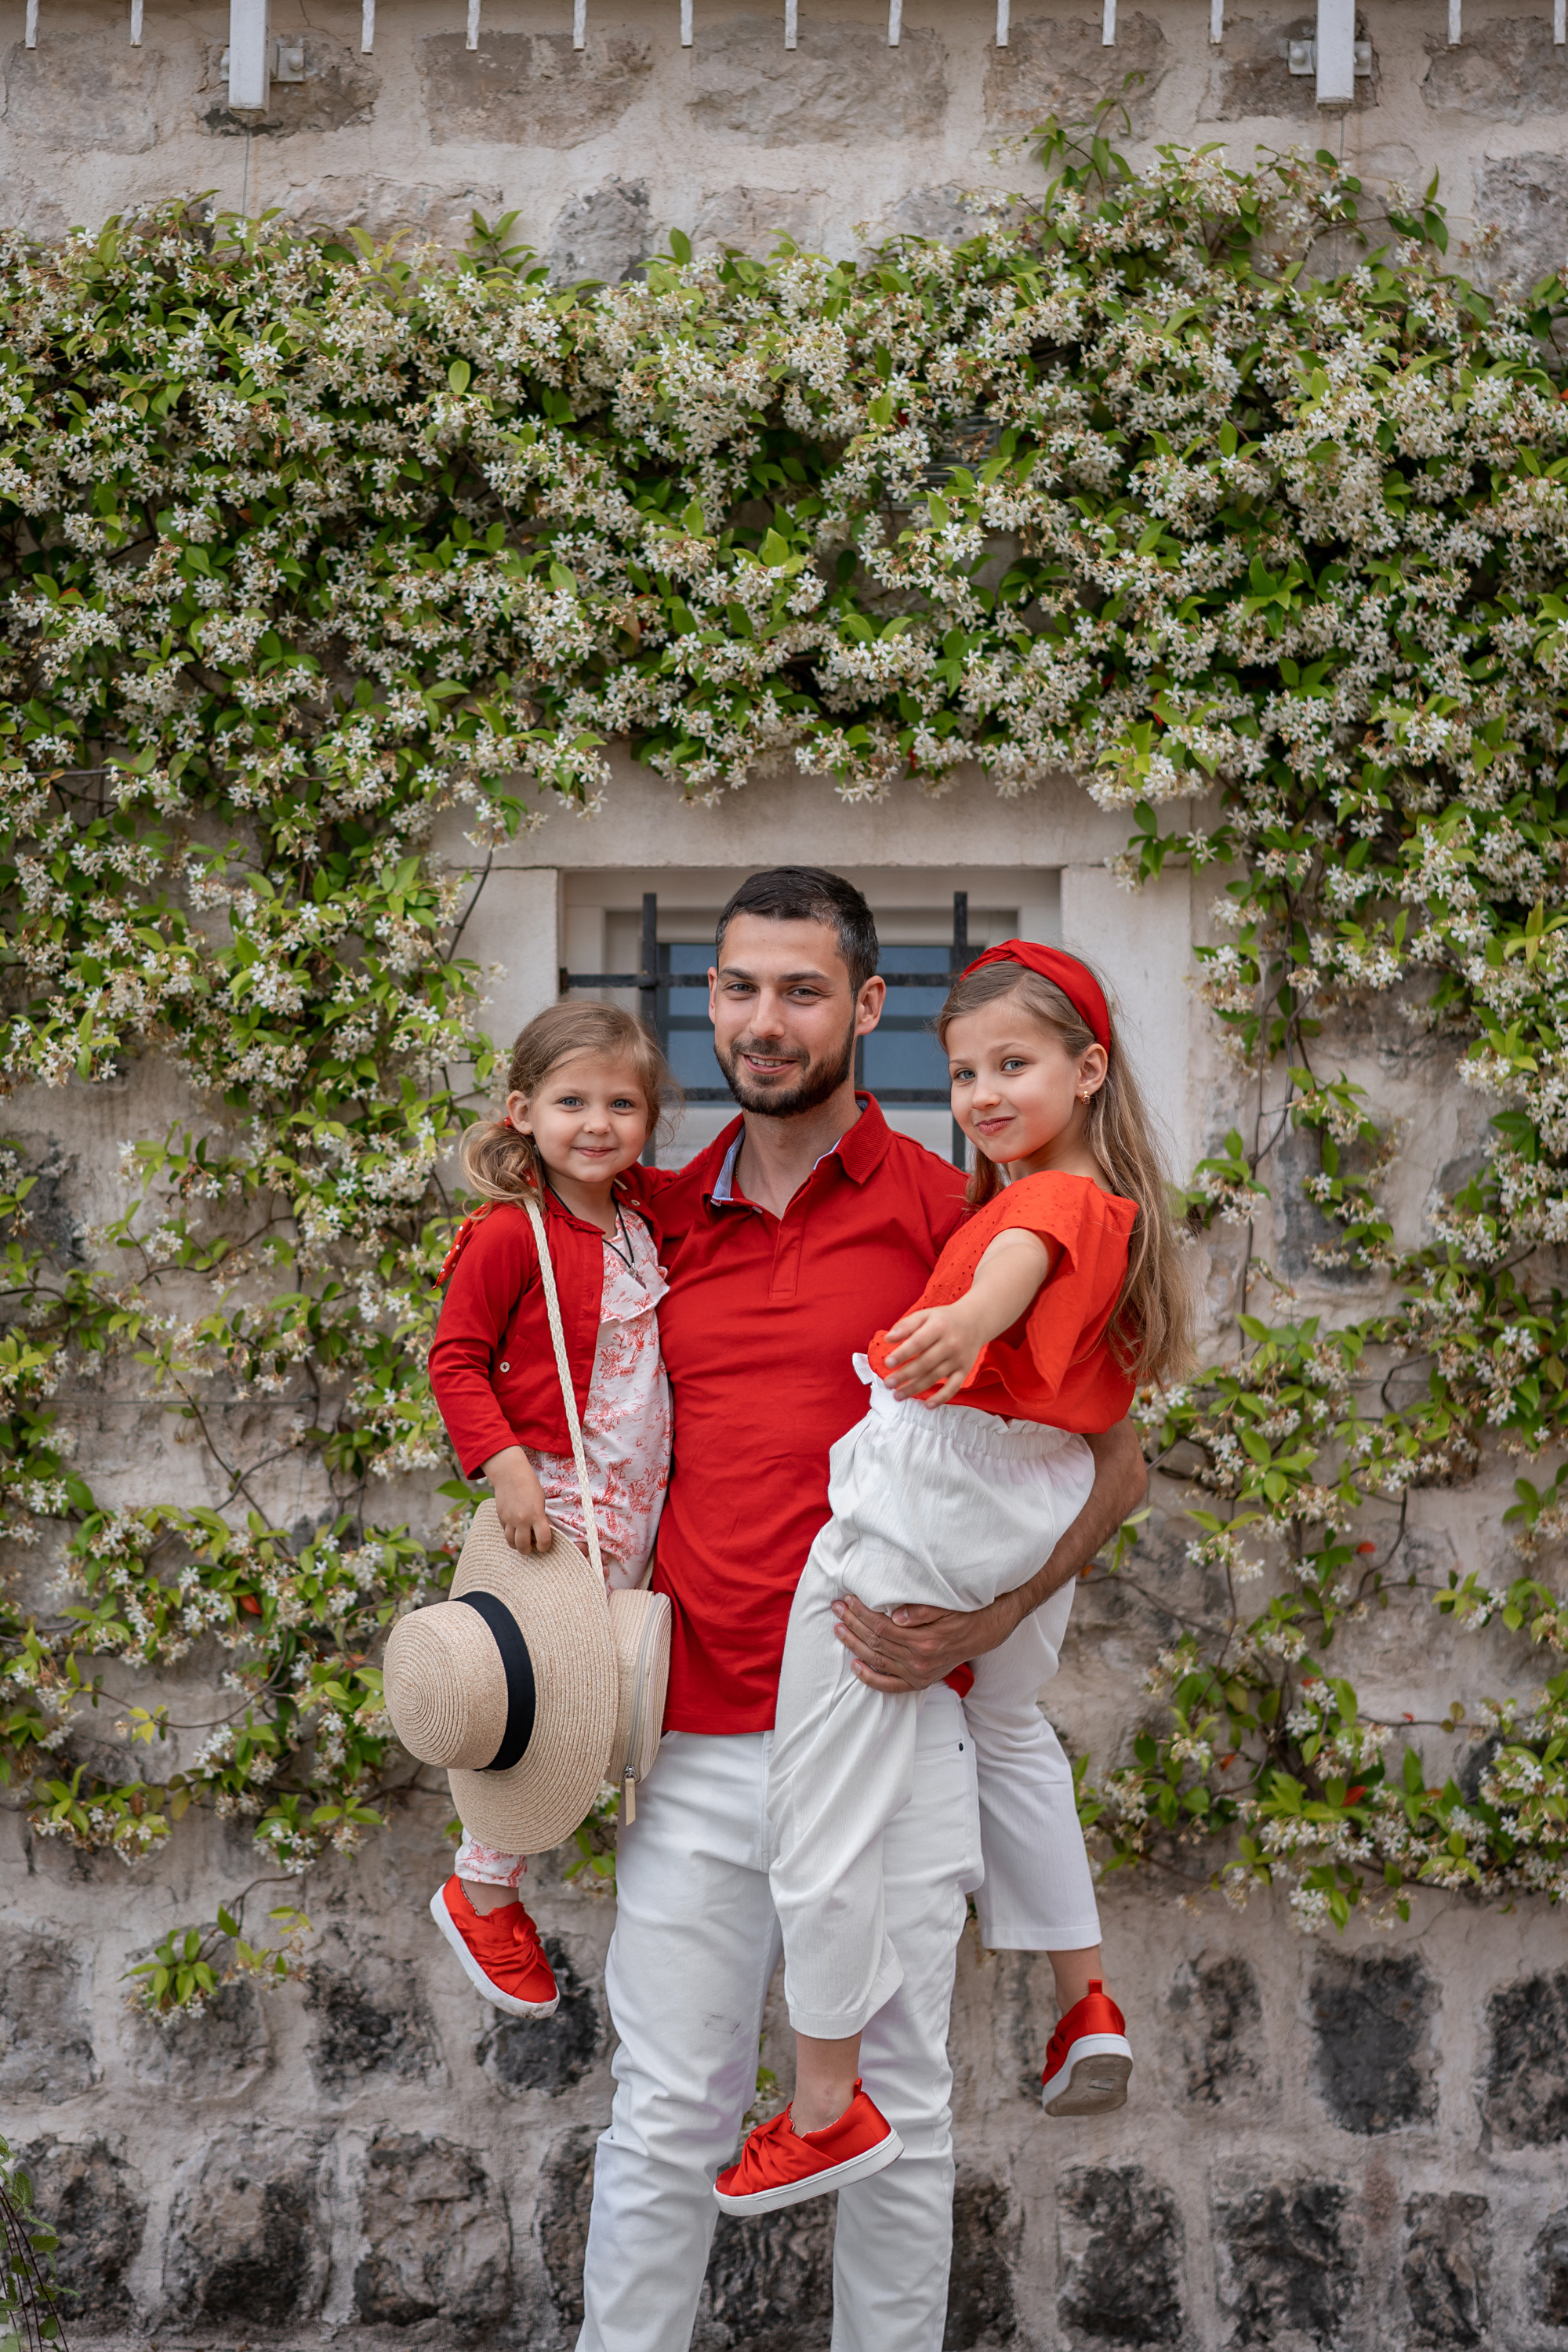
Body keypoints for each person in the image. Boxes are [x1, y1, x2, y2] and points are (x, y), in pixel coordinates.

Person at [574, 869, 1147, 2352]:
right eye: (740, 989)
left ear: (867, 1010)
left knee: (901, 2119)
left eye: (803, 992)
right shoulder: (653, 1215)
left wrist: (989, 1621)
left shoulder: (958, 1209)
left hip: (898, 1728)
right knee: (664, 2112)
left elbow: (1113, 1458)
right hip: (695, 1735)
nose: (766, 1024)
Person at [715, 939, 1192, 2216]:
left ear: (1090, 1071)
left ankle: (823, 2106)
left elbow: (1014, 1268)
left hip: (932, 1500)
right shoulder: (1116, 1214)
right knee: (1012, 1724)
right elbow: (1103, 1437)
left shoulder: (1044, 1206)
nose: (981, 1095)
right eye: (966, 1071)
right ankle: (1081, 1994)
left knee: (811, 1815)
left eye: (1014, 1066)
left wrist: (970, 1321)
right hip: (1025, 1510)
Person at [424, 1000, 674, 2018]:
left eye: (623, 1102)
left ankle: (515, 1882)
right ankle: (480, 1891)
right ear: (524, 1111)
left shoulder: (643, 1222)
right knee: (545, 1697)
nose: (599, 1121)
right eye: (573, 1100)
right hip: (560, 1500)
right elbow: (456, 1359)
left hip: (636, 1500)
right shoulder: (510, 1233)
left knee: (606, 1696)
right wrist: (506, 1468)